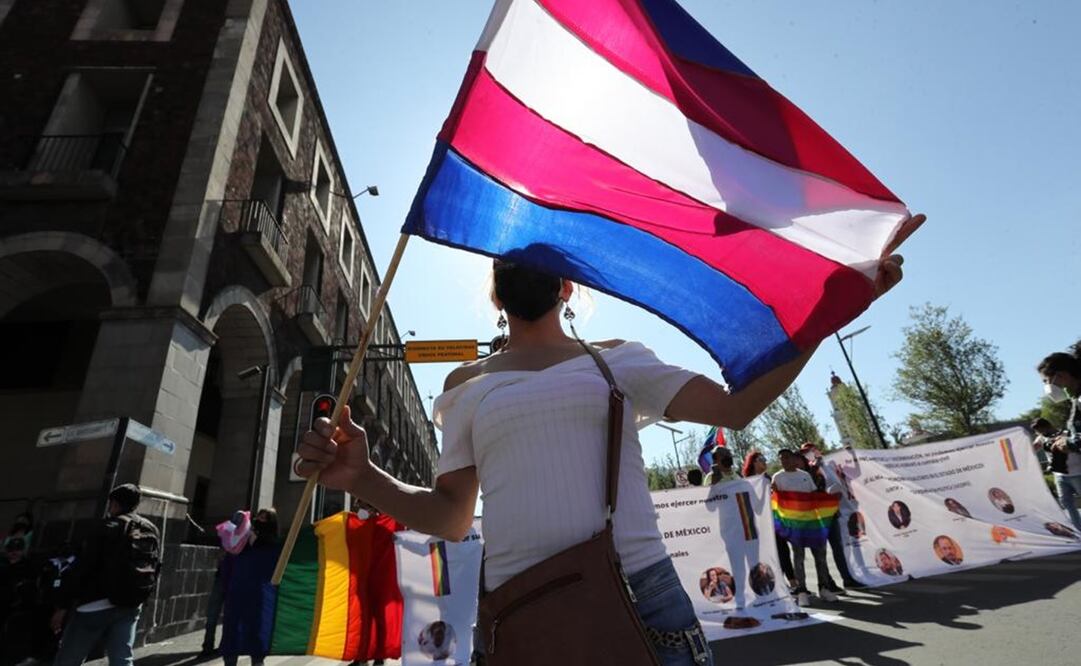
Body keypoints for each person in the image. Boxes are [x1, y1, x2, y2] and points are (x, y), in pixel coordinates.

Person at [298, 251, 906, 666]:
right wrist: (362, 477)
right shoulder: (464, 385)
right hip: (521, 606)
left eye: (548, 259)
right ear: (496, 287)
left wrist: (828, 313)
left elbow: (735, 406)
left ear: (567, 286)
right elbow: (453, 516)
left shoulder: (617, 360)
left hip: (642, 597)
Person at [52, 484, 161, 666]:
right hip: (131, 603)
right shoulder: (151, 529)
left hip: (95, 605)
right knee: (122, 658)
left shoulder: (106, 527)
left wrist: (62, 606)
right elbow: (156, 566)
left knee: (69, 659)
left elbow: (83, 568)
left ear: (114, 504)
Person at [771, 449, 841, 605]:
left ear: (794, 459)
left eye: (787, 458)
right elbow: (776, 502)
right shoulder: (778, 478)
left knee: (820, 556)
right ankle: (802, 591)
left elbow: (814, 496)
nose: (784, 461)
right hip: (794, 525)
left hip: (811, 522)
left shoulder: (805, 475)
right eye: (781, 459)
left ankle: (824, 588)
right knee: (798, 557)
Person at [220, 509, 280, 666]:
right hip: (237, 590)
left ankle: (257, 659)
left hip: (258, 593)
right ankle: (231, 659)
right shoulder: (241, 541)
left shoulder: (272, 545)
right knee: (232, 628)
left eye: (264, 518)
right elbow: (229, 563)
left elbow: (274, 569)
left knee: (256, 629)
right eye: (258, 516)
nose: (259, 520)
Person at [800, 443, 857, 592]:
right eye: (805, 453)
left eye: (810, 451)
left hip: (831, 513)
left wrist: (852, 456)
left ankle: (848, 578)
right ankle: (827, 583)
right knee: (820, 553)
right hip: (815, 518)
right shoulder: (806, 472)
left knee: (838, 547)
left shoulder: (826, 466)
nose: (809, 455)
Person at [1032, 416, 1081, 530]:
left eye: (1042, 430)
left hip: (1077, 473)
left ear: (1048, 426)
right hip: (1059, 476)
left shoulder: (1067, 434)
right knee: (1066, 503)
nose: (1040, 433)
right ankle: (1078, 529)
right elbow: (1032, 448)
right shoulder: (1041, 438)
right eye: (1038, 431)